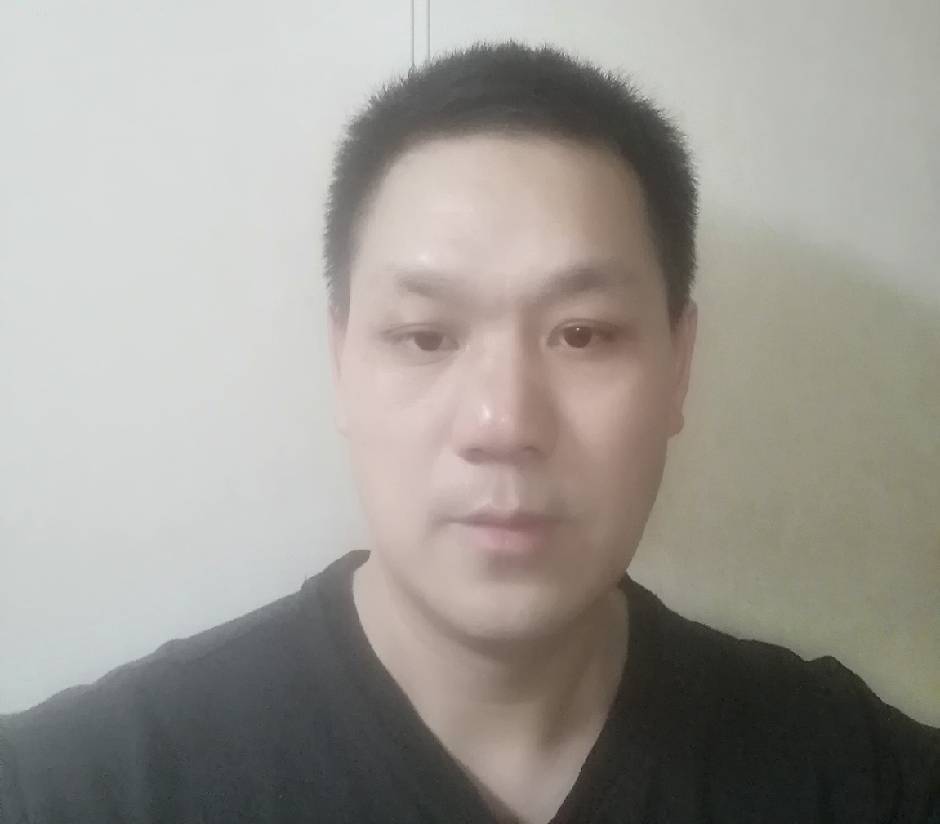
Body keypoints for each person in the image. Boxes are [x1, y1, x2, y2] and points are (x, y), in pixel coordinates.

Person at [1, 41, 937, 824]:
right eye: (425, 336)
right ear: (341, 363)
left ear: (679, 366)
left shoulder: (855, 779)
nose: (503, 424)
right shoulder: (81, 788)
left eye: (583, 334)